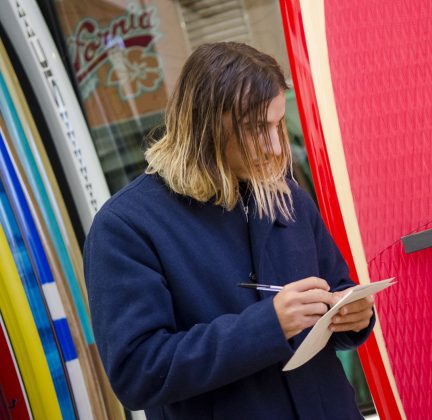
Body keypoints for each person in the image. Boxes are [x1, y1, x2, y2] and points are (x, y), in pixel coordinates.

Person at [84, 42, 376, 419]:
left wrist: (351, 317)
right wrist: (267, 326)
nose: (274, 147)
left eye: (277, 126)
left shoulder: (287, 196)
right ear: (205, 126)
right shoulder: (124, 227)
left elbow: (336, 288)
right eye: (257, 128)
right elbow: (137, 373)